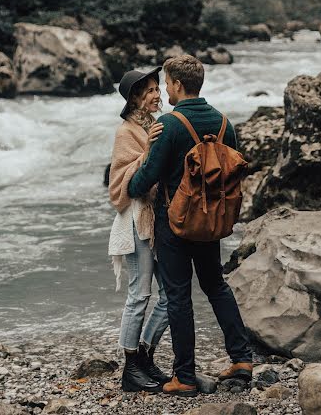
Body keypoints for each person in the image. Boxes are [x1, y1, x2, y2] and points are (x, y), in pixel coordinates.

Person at [128, 55, 253, 397]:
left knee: (179, 296)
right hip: (212, 220)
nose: (165, 89)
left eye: (167, 83)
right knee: (216, 286)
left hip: (176, 222)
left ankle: (184, 376)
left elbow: (148, 177)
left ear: (178, 85)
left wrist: (127, 186)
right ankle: (242, 359)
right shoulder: (226, 123)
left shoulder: (169, 125)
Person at [108, 67, 170, 393]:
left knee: (173, 294)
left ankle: (145, 354)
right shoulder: (126, 132)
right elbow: (121, 182)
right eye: (148, 90)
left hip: (160, 220)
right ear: (135, 98)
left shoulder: (157, 125)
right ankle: (130, 370)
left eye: (157, 88)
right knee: (140, 295)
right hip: (137, 219)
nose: (156, 94)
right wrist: (150, 151)